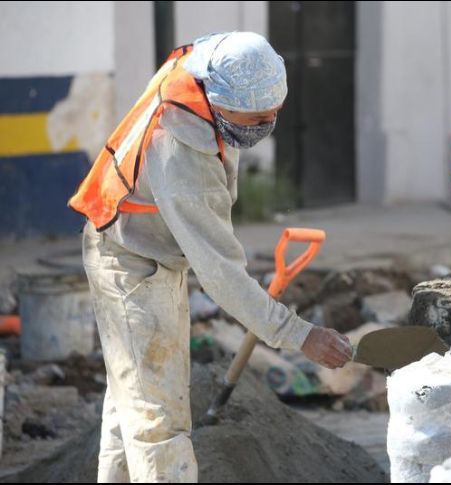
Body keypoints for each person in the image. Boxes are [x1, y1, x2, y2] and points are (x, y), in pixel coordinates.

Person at [68, 32, 352, 483]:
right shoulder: (181, 150)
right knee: (157, 419)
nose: (263, 125)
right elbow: (220, 275)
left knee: (134, 398)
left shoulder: (204, 74)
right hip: (130, 259)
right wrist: (300, 334)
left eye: (273, 114)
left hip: (153, 247)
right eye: (254, 117)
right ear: (218, 101)